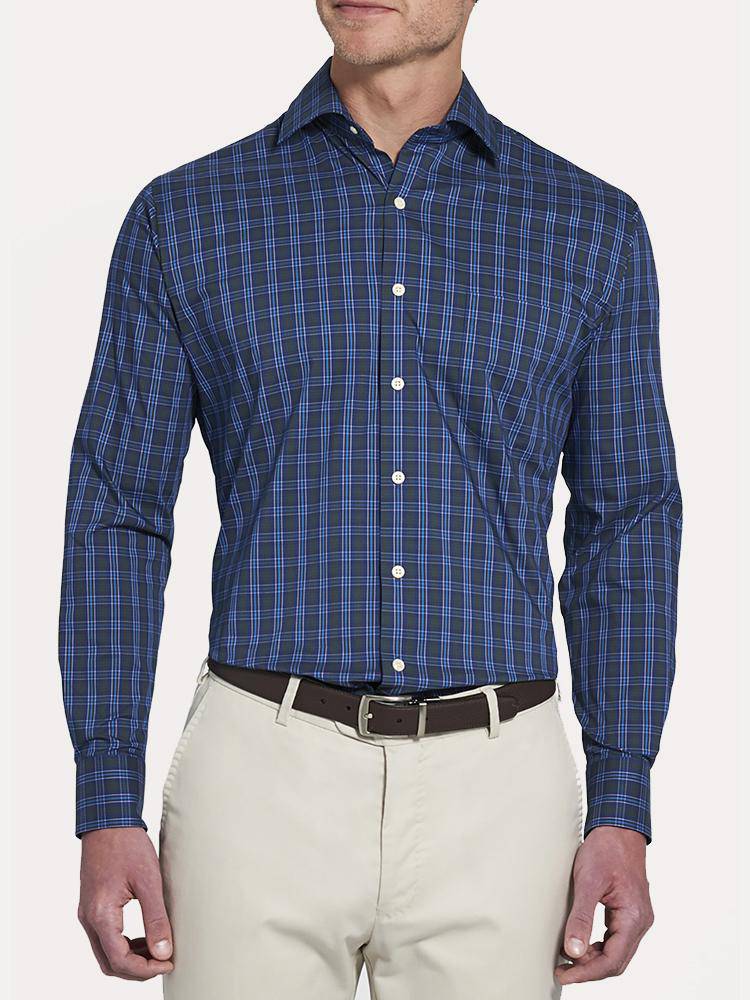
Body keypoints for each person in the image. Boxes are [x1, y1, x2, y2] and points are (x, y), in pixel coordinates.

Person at [59, 1, 682, 997]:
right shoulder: (188, 218)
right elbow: (117, 514)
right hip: (256, 782)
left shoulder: (589, 229)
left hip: (500, 794)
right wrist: (105, 800)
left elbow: (627, 524)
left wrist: (622, 802)